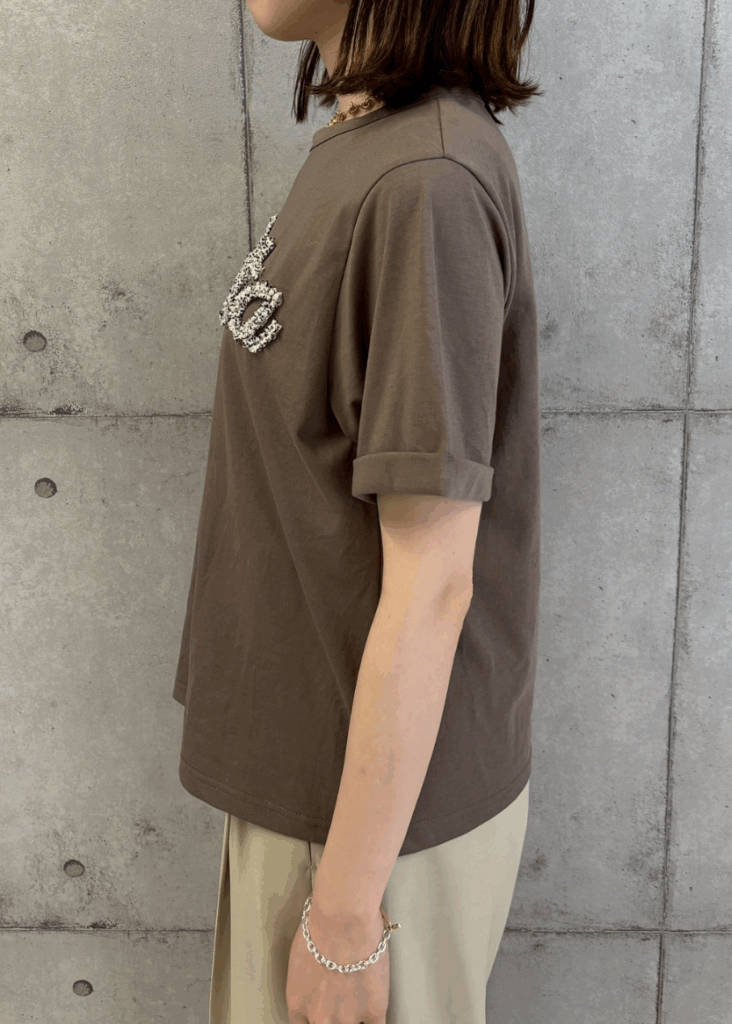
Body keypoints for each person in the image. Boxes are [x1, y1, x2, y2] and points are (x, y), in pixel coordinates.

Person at [171, 0, 545, 1020]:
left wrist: (342, 919)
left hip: (367, 842)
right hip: (324, 796)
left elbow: (432, 584)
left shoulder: (425, 184)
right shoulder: (367, 143)